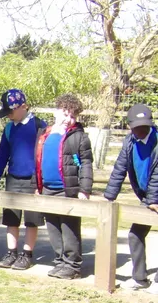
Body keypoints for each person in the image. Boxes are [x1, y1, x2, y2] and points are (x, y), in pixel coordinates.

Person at [0, 89, 48, 270]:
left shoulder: (39, 126)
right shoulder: (9, 128)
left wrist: (40, 183)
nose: (9, 116)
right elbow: (3, 154)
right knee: (11, 217)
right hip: (13, 178)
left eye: (11, 111)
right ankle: (11, 252)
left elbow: (43, 155)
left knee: (31, 219)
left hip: (32, 180)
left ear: (23, 106)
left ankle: (27, 254)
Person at [35, 94, 93, 280]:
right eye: (66, 114)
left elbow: (86, 164)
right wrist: (37, 185)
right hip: (47, 189)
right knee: (52, 227)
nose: (69, 119)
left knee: (69, 229)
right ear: (56, 112)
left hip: (67, 190)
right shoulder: (44, 134)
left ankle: (72, 265)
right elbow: (37, 160)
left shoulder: (79, 137)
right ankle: (60, 261)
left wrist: (84, 189)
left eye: (73, 116)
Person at [104, 103, 158, 292]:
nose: (141, 130)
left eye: (145, 126)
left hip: (154, 196)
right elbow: (119, 168)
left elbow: (157, 174)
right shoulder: (129, 142)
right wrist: (109, 196)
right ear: (131, 126)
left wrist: (153, 200)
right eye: (137, 127)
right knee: (135, 234)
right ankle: (140, 278)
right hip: (148, 197)